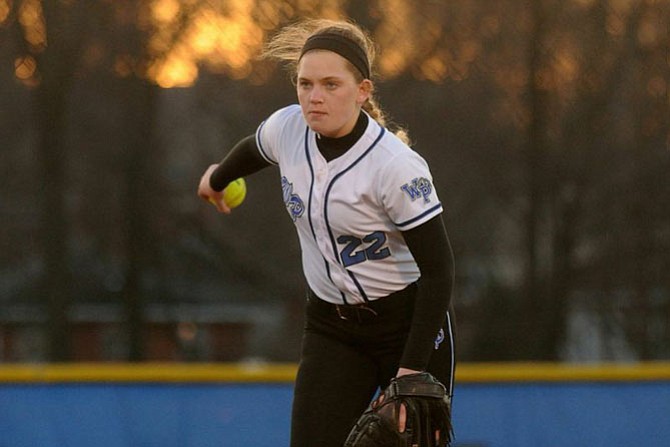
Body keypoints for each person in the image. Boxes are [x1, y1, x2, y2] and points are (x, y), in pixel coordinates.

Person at [197, 18, 456, 447]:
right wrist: (218, 179)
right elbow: (253, 149)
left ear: (363, 91)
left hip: (407, 324)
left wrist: (411, 370)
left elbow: (440, 271)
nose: (314, 97)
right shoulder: (289, 129)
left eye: (331, 85)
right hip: (331, 327)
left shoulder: (394, 166)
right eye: (305, 84)